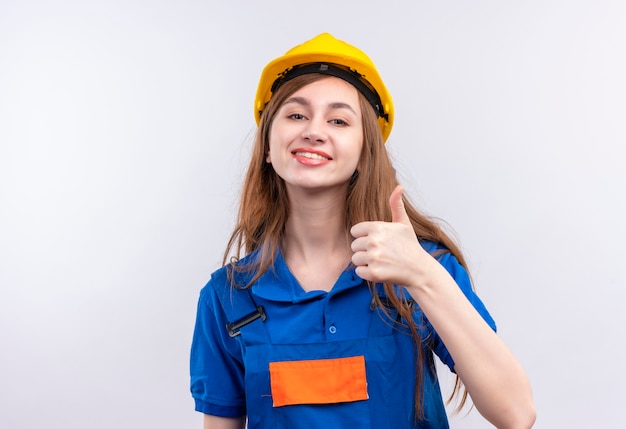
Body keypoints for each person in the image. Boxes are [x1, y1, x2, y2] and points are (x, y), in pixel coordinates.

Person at [190, 33, 535, 429]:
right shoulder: (228, 298)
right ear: (269, 146)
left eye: (338, 120)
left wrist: (421, 275)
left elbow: (517, 413)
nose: (314, 131)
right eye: (296, 115)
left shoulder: (422, 269)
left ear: (363, 153)